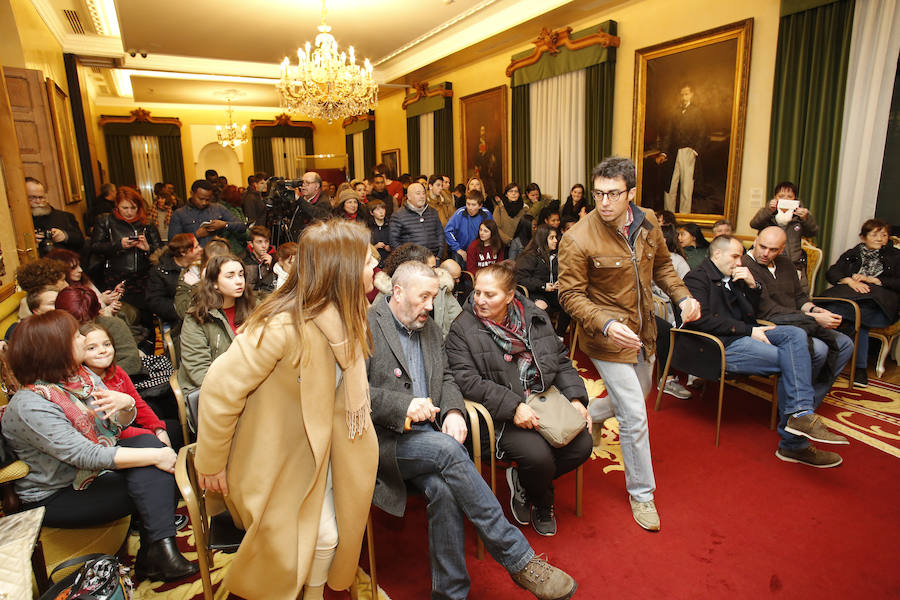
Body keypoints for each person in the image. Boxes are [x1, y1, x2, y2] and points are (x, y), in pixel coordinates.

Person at [367, 260, 577, 600]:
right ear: (398, 291)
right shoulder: (366, 326)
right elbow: (349, 394)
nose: (431, 306)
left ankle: (450, 595)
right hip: (387, 441)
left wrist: (452, 411)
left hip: (430, 437)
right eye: (424, 297)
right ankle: (519, 559)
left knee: (446, 488)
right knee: (449, 451)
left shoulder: (430, 328)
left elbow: (448, 378)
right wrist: (401, 406)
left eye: (434, 297)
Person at [195, 220, 378, 600]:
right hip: (277, 461)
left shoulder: (349, 316)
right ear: (340, 271)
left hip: (322, 453)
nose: (375, 263)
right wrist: (211, 462)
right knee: (323, 536)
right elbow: (217, 389)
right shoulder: (282, 325)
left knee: (332, 534)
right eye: (366, 259)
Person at [558, 156, 702, 532]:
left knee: (639, 391)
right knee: (635, 415)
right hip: (604, 337)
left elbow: (664, 267)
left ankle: (587, 412)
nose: (604, 202)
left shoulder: (648, 220)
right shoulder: (578, 237)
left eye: (613, 194)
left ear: (631, 194)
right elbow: (570, 296)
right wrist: (605, 324)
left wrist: (682, 297)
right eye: (599, 193)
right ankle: (643, 494)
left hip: (644, 330)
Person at [2, 311, 198, 581]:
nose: (83, 338)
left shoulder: (80, 379)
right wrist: (157, 455)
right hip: (56, 495)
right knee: (160, 472)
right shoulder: (31, 404)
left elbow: (117, 427)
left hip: (90, 476)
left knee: (147, 444)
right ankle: (158, 553)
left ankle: (158, 553)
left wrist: (126, 404)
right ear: (54, 348)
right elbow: (85, 455)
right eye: (75, 336)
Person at [445, 261, 592, 536]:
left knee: (582, 443)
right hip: (500, 415)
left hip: (542, 400)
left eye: (490, 295)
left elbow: (559, 360)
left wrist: (575, 399)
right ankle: (543, 501)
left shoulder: (533, 316)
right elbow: (466, 381)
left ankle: (524, 481)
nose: (480, 300)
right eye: (477, 293)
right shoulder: (462, 328)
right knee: (539, 457)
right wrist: (513, 407)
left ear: (511, 296)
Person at [683, 235, 850, 467]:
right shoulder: (695, 278)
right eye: (735, 256)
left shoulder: (735, 276)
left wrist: (753, 285)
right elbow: (702, 320)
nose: (739, 262)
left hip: (745, 332)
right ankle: (794, 443)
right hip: (720, 344)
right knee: (792, 358)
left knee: (795, 334)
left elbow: (750, 312)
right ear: (717, 254)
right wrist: (748, 331)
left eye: (740, 256)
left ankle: (799, 413)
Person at [743, 226, 854, 397]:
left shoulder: (786, 264)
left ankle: (808, 399)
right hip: (771, 324)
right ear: (755, 242)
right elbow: (768, 310)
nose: (766, 253)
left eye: (773, 250)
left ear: (781, 249)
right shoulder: (745, 267)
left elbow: (800, 297)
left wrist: (816, 310)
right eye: (762, 247)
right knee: (820, 349)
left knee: (845, 344)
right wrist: (814, 318)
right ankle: (795, 402)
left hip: (800, 320)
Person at [820, 218, 900, 387]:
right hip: (851, 303)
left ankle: (829, 363)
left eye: (884, 235)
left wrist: (874, 280)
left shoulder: (895, 256)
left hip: (880, 308)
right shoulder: (853, 253)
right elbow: (832, 273)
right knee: (856, 319)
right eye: (874, 234)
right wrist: (849, 281)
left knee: (842, 313)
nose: (880, 238)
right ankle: (859, 370)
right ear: (863, 237)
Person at [79, 322, 179, 449]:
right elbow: (111, 428)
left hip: (129, 421)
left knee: (173, 429)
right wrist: (152, 436)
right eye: (92, 348)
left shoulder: (117, 372)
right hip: (111, 438)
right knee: (156, 442)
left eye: (107, 344)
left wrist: (158, 429)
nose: (103, 351)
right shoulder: (85, 383)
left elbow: (138, 403)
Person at [177, 255, 254, 397]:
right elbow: (199, 372)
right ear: (214, 284)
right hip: (213, 391)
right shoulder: (198, 317)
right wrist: (239, 389)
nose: (239, 281)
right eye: (230, 276)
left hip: (250, 385)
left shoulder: (254, 309)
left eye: (241, 275)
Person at [89, 186, 162, 310]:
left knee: (144, 315)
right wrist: (119, 245)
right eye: (125, 208)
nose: (129, 212)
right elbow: (95, 246)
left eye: (133, 208)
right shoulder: (105, 220)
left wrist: (147, 248)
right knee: (121, 314)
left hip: (143, 277)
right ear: (117, 206)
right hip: (115, 277)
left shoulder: (147, 223)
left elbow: (161, 251)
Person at [372, 243, 461, 338]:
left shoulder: (442, 288)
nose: (435, 273)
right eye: (431, 269)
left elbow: (459, 323)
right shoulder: (386, 298)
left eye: (435, 268)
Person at [749, 181, 818, 292]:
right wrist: (768, 211)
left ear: (795, 199)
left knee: (795, 294)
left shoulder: (800, 215)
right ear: (775, 197)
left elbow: (812, 232)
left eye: (789, 196)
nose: (785, 199)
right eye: (781, 196)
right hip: (768, 261)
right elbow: (754, 224)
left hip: (793, 262)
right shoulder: (768, 213)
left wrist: (806, 219)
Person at [655, 83, 707, 214]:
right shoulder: (675, 112)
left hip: (688, 152)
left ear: (692, 95)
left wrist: (695, 151)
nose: (684, 97)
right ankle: (668, 216)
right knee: (670, 185)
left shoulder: (697, 112)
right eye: (682, 94)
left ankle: (685, 216)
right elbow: (668, 133)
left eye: (687, 94)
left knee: (686, 187)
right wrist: (664, 153)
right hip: (674, 153)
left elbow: (702, 133)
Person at [516, 224, 569, 336]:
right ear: (543, 239)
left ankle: (559, 337)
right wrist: (543, 285)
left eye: (556, 237)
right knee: (542, 306)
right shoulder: (530, 256)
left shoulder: (557, 255)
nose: (556, 241)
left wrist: (559, 281)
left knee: (569, 302)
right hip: (532, 292)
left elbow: (562, 273)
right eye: (552, 238)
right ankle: (538, 339)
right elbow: (520, 279)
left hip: (552, 292)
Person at [146, 233, 202, 329]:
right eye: (196, 247)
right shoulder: (160, 272)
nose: (200, 249)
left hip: (202, 317)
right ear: (183, 252)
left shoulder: (202, 266)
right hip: (175, 322)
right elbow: (155, 302)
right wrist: (183, 310)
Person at [168, 180, 247, 247]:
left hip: (217, 255)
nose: (204, 203)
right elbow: (173, 243)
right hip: (193, 259)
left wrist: (224, 225)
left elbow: (242, 226)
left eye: (207, 199)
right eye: (201, 199)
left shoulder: (218, 208)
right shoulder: (179, 214)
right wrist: (195, 235)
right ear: (192, 193)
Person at [46, 248, 122, 317]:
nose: (80, 270)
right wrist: (101, 301)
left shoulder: (83, 279)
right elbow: (80, 314)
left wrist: (112, 298)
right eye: (73, 268)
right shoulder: (59, 291)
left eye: (79, 266)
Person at [26, 177, 84, 256]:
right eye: (32, 197)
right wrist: (29, 241)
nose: (38, 202)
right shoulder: (17, 223)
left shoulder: (64, 217)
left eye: (41, 197)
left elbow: (80, 241)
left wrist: (65, 236)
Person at [390, 182, 445, 259]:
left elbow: (440, 234)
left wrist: (439, 255)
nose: (422, 196)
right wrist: (406, 258)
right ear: (409, 196)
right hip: (411, 262)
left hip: (434, 258)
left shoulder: (433, 212)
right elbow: (394, 242)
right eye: (418, 193)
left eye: (423, 193)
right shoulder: (398, 215)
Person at [445, 189, 493, 267]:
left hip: (480, 250)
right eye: (468, 204)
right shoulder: (460, 213)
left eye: (473, 205)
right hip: (461, 250)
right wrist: (458, 249)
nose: (470, 207)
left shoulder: (486, 214)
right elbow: (448, 231)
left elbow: (492, 232)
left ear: (480, 206)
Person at [242, 226, 276, 296]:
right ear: (251, 244)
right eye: (259, 242)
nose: (264, 246)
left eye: (266, 241)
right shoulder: (243, 259)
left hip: (268, 298)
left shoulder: (275, 258)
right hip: (249, 298)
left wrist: (273, 266)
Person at [367, 199, 391, 266]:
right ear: (371, 213)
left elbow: (397, 242)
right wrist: (375, 247)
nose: (381, 212)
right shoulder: (368, 227)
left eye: (383, 209)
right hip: (373, 262)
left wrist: (391, 247)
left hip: (389, 261)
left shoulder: (391, 225)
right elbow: (364, 247)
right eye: (377, 209)